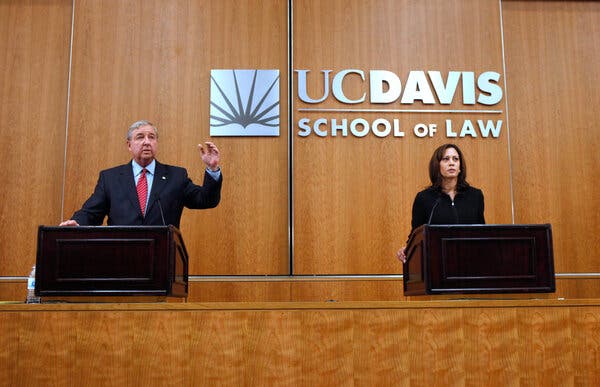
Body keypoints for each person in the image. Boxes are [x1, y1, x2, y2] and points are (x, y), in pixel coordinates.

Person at [60, 120, 222, 228]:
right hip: (120, 261)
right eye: (140, 137)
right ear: (129, 145)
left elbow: (205, 200)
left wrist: (212, 170)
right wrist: (77, 223)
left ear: (156, 143)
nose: (146, 142)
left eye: (151, 137)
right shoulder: (110, 178)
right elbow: (91, 212)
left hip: (162, 261)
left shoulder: (176, 176)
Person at [396, 143, 485, 263]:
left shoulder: (475, 195)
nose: (451, 163)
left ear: (460, 167)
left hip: (470, 263)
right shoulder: (424, 198)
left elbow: (482, 230)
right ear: (437, 165)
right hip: (437, 264)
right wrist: (407, 249)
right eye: (446, 159)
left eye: (455, 159)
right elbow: (416, 234)